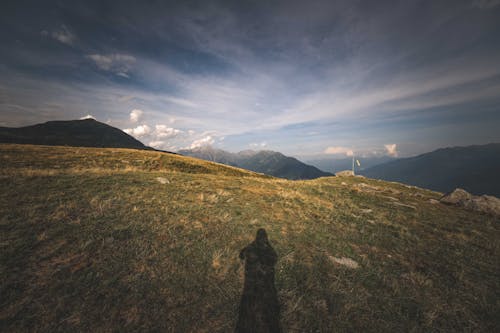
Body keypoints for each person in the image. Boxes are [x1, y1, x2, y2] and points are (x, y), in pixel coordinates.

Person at [235, 228, 281, 333]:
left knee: (255, 312)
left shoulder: (255, 247)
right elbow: (273, 259)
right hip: (259, 288)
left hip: (255, 288)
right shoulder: (265, 248)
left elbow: (241, 255)